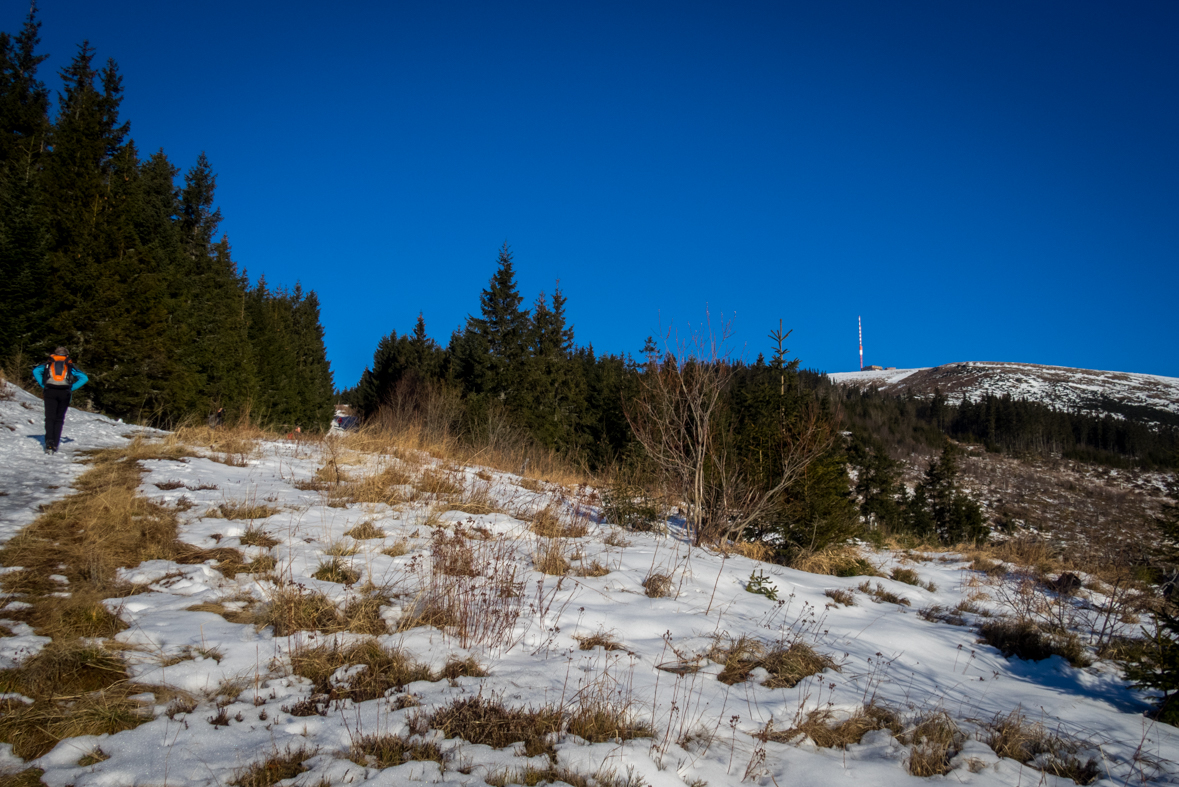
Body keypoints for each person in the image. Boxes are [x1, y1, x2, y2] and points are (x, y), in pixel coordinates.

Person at [32, 346, 89, 454]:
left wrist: (43, 385)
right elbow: (84, 378)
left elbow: (36, 371)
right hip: (65, 392)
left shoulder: (49, 363)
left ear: (55, 354)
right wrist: (71, 387)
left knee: (49, 418)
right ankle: (55, 444)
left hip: (50, 391)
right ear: (66, 355)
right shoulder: (69, 364)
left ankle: (48, 443)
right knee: (59, 419)